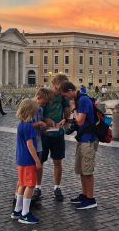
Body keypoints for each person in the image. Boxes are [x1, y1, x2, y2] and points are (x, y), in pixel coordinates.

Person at [60, 81, 98, 209]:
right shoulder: (79, 100)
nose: (66, 98)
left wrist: (73, 108)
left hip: (88, 139)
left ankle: (91, 199)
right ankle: (85, 194)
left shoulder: (83, 101)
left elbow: (81, 121)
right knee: (82, 169)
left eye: (65, 95)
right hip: (83, 139)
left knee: (87, 170)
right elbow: (78, 120)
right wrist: (66, 120)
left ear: (71, 90)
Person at [11, 99, 42, 224]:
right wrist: (37, 161)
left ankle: (17, 210)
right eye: (35, 111)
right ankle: (25, 213)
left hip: (20, 159)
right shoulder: (29, 126)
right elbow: (30, 145)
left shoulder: (21, 124)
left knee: (22, 184)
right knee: (30, 185)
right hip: (29, 160)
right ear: (31, 111)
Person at [41, 74, 70, 202]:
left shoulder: (64, 97)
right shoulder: (45, 95)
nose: (62, 91)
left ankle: (57, 187)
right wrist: (46, 119)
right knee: (40, 162)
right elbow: (37, 111)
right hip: (44, 134)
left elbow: (67, 112)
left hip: (58, 133)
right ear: (54, 85)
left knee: (58, 161)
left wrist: (65, 119)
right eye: (60, 88)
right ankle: (37, 187)